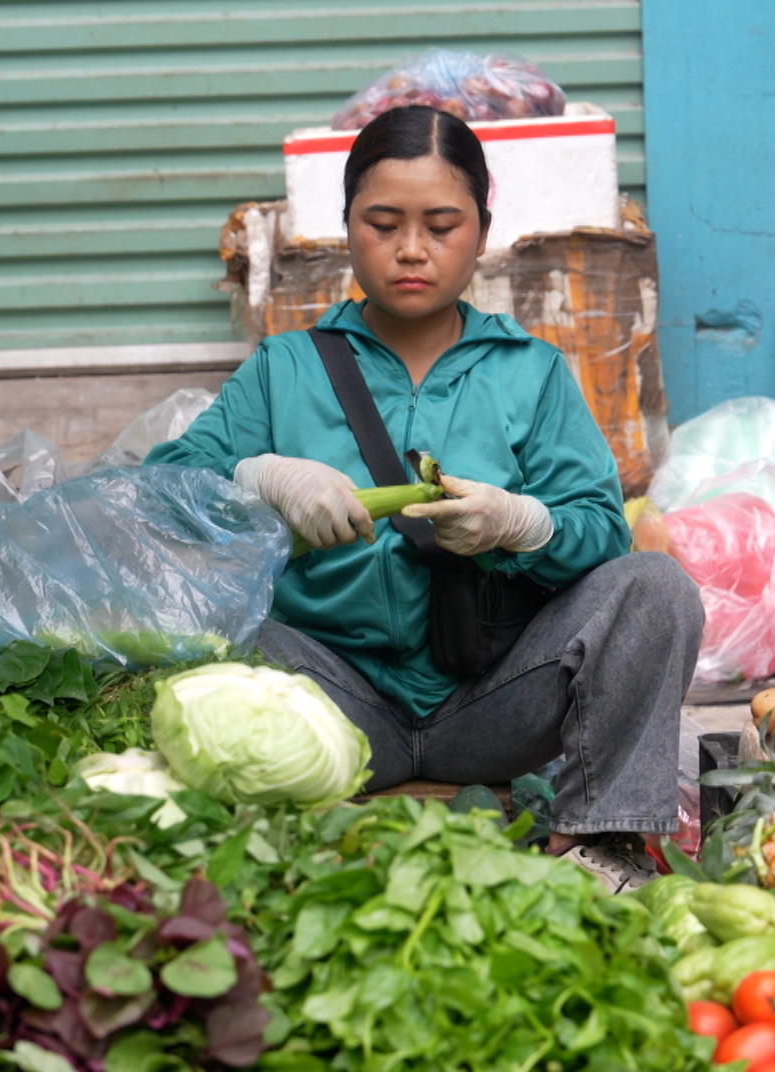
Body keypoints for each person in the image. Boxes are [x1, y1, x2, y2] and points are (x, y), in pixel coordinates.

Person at [146, 105, 703, 892]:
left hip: (492, 703)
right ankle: (241, 842)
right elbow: (162, 492)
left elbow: (602, 533)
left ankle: (602, 844)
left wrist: (525, 525)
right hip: (330, 698)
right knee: (194, 621)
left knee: (656, 589)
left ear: (481, 232)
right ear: (346, 227)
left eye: (442, 225)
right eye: (383, 223)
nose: (412, 249)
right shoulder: (286, 368)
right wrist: (259, 479)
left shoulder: (529, 372)